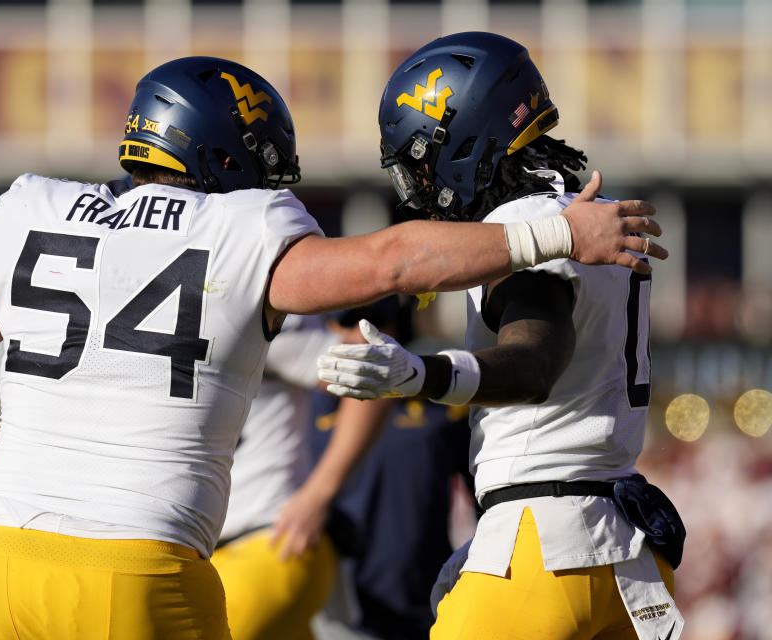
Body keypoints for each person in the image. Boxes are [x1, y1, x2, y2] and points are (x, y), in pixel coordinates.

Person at [0, 55, 665, 640]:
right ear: (224, 154)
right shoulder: (240, 227)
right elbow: (392, 259)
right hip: (141, 572)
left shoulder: (33, 208)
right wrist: (557, 230)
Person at [318, 33, 685, 640]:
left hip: (538, 552)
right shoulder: (593, 214)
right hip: (625, 558)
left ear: (463, 141)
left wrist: (423, 374)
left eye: (422, 163)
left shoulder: (523, 225)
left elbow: (533, 362)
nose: (420, 187)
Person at [211, 313, 392, 640]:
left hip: (269, 539)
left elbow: (376, 368)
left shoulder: (237, 307)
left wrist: (318, 494)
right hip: (201, 553)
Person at [308, 300, 478, 640]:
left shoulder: (443, 399)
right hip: (333, 611)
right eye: (347, 322)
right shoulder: (302, 398)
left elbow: (486, 503)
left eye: (374, 323)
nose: (361, 335)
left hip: (428, 606)